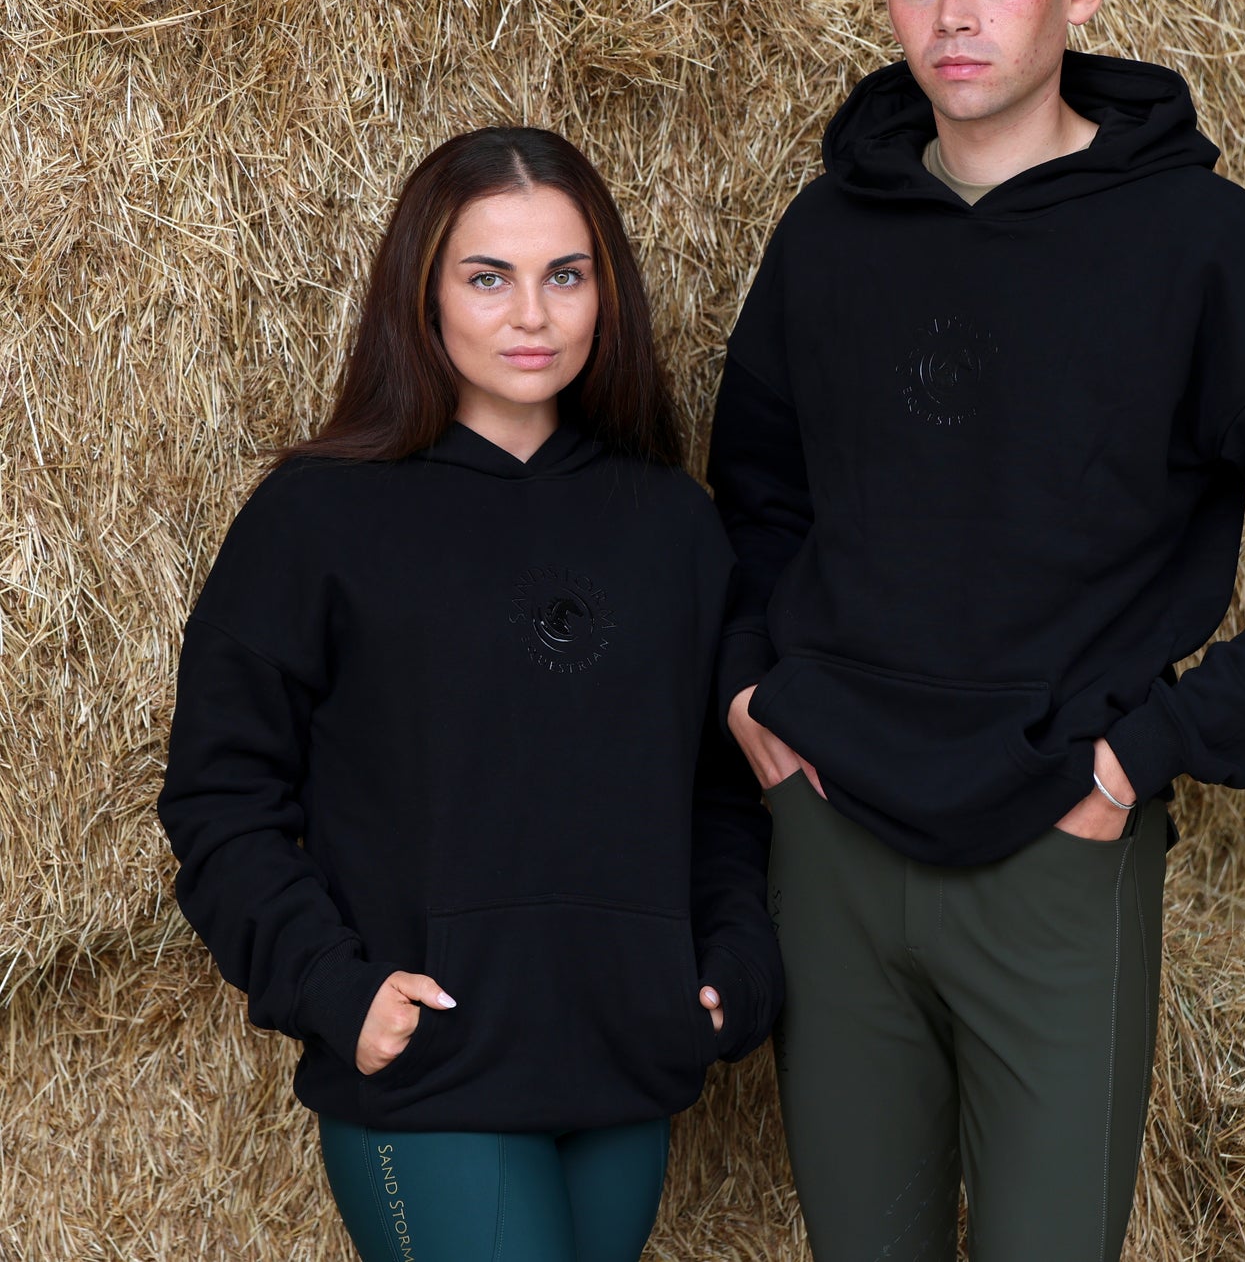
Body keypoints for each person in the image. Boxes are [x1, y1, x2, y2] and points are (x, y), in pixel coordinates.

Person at [708, 0, 1245, 1262]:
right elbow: (752, 499)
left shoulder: (1203, 248)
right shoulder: (827, 235)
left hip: (1055, 840)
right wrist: (753, 697)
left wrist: (1141, 755)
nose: (953, 18)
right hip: (832, 835)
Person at [158, 127, 781, 1262]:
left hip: (624, 1065)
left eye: (566, 276)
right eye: (488, 278)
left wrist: (730, 965)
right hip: (431, 1079)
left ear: (607, 293)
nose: (532, 316)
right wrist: (333, 989)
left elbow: (720, 793)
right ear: (423, 293)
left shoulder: (674, 528)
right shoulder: (316, 518)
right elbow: (219, 796)